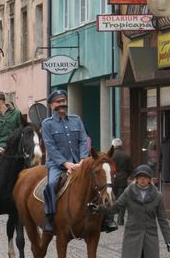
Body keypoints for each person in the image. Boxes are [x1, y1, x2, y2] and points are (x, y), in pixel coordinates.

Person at [41, 90, 117, 233]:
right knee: (51, 185)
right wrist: (65, 163)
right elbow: (50, 146)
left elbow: (84, 139)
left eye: (63, 101)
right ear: (51, 105)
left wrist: (82, 159)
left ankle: (106, 218)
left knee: (101, 180)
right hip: (58, 165)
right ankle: (50, 217)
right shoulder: (47, 124)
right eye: (58, 102)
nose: (62, 104)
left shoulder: (76, 119)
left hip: (81, 162)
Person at [88, 165, 170, 258]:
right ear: (136, 178)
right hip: (132, 235)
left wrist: (168, 240)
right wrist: (98, 208)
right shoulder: (128, 192)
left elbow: (163, 220)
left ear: (150, 179)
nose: (142, 179)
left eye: (145, 177)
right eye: (139, 176)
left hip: (150, 237)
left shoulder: (158, 196)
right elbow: (115, 208)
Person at [111, 138, 133, 226]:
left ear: (113, 146)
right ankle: (120, 220)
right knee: (122, 200)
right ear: (121, 146)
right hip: (123, 180)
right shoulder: (126, 156)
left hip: (112, 180)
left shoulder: (110, 155)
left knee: (112, 200)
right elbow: (131, 169)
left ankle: (110, 219)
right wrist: (126, 176)